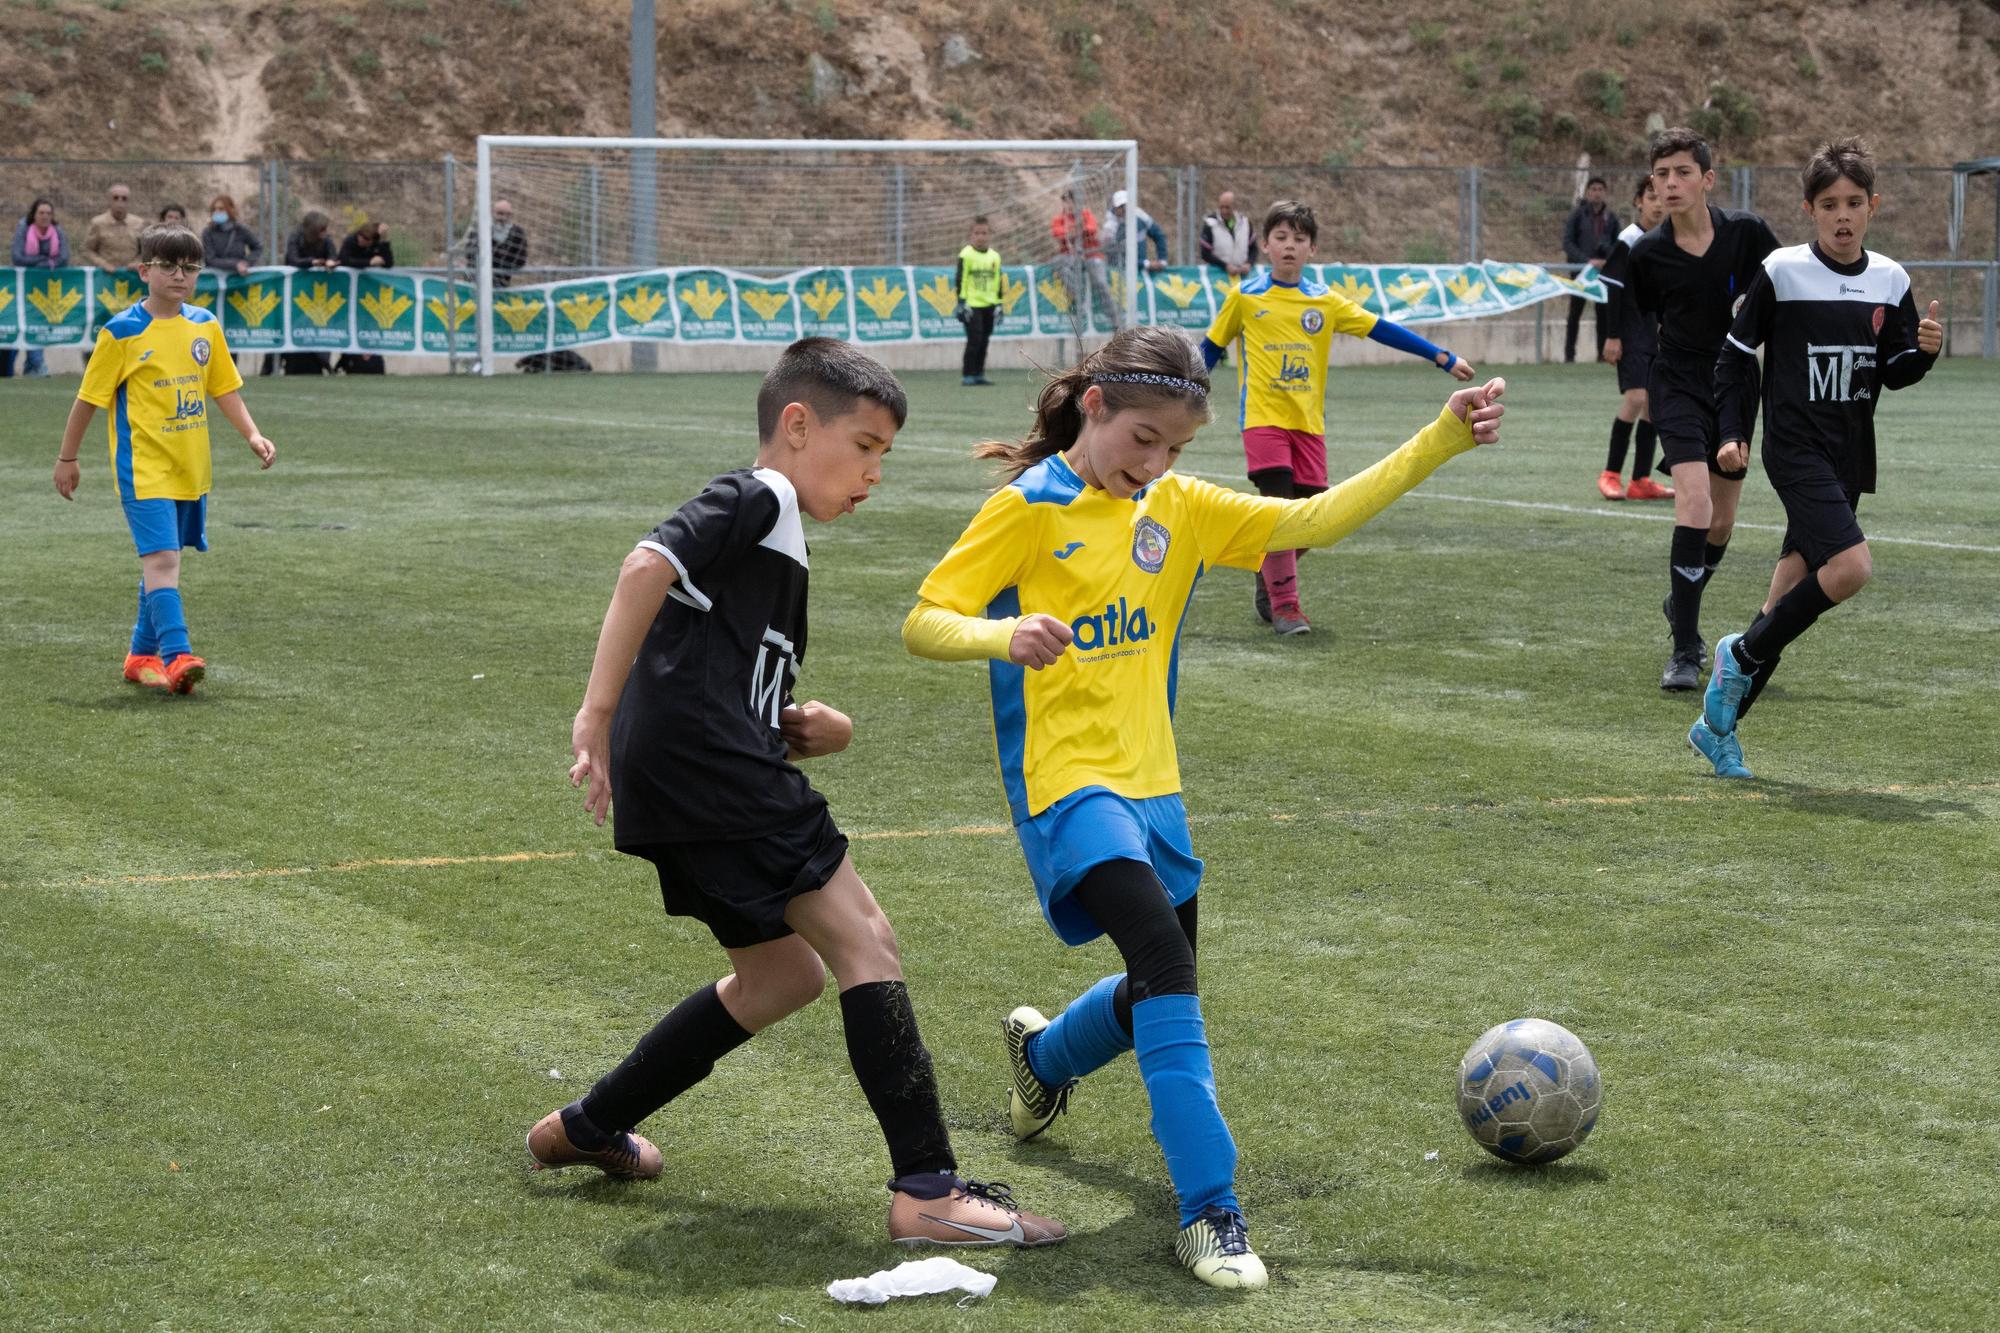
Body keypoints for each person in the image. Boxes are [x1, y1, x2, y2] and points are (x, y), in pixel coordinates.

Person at [902, 325, 1507, 1289]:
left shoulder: (1175, 507)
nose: (1156, 464)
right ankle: (1211, 1212)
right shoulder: (1025, 508)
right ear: (1093, 406)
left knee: (1158, 993)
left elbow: (1314, 520)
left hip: (1155, 786)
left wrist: (1439, 436)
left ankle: (1045, 1059)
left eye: (1176, 448)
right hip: (1068, 787)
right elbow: (926, 617)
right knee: (1166, 965)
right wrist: (1006, 631)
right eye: (1143, 439)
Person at [528, 337, 1066, 1252]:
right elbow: (643, 567)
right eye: (864, 447)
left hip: (690, 775)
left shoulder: (778, 542)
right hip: (711, 772)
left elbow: (721, 671)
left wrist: (812, 726)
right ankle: (928, 1190)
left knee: (783, 976)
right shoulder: (763, 493)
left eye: (883, 457)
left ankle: (587, 1126)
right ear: (796, 423)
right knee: (866, 939)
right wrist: (595, 711)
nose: (873, 474)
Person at [1691, 139, 1942, 778]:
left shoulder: (1891, 279)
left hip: (1850, 456)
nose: (1843, 215)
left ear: (1873, 206)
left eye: (1854, 202)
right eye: (1829, 204)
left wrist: (1927, 351)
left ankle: (1717, 729)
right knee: (1852, 567)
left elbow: (1895, 369)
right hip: (1797, 449)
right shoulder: (1782, 270)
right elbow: (1734, 355)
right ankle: (1739, 657)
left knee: (1785, 599)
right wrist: (1730, 431)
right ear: (1809, 208)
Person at [1200, 200, 1476, 635]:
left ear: (1312, 250)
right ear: (1266, 246)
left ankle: (1266, 568)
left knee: (1315, 516)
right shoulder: (1245, 297)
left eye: (1300, 238)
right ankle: (1287, 607)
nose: (1290, 246)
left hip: (1309, 425)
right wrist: (1184, 388)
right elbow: (1210, 350)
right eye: (1281, 237)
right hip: (1262, 420)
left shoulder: (1325, 303)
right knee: (1279, 510)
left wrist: (1440, 355)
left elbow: (1380, 327)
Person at [50, 222, 277, 696]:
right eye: (169, 266)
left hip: (190, 467)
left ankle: (139, 655)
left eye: (190, 267)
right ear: (144, 271)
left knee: (162, 562)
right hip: (144, 471)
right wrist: (67, 458)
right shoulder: (122, 332)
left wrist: (252, 434)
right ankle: (178, 657)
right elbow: (87, 400)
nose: (180, 275)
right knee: (163, 562)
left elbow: (224, 388)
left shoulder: (204, 326)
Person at [1625, 128, 1781, 691]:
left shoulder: (1749, 234)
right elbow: (1643, 324)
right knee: (1691, 502)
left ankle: (1680, 599)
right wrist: (1634, 380)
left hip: (1736, 382)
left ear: (1707, 179)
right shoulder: (1646, 254)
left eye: (1681, 172)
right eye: (1661, 175)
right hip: (1677, 383)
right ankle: (1686, 650)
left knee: (1721, 519)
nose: (1669, 183)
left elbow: (1783, 291)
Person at [1596, 174, 1674, 502]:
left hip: (1656, 334)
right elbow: (1612, 289)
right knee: (1636, 398)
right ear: (1639, 202)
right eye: (1650, 197)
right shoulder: (1629, 239)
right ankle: (1610, 474)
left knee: (1654, 406)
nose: (1657, 203)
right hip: (1630, 332)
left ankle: (1640, 480)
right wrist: (1612, 336)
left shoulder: (1669, 238)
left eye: (1662, 197)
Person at [1562, 176, 1619, 363]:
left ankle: (1601, 355)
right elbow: (1568, 243)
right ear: (1588, 192)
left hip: (1603, 274)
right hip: (1580, 274)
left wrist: (1606, 259)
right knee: (1574, 313)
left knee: (1603, 315)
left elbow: (1619, 246)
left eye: (1600, 189)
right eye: (1593, 189)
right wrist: (1586, 261)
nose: (1597, 193)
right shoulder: (1577, 215)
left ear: (1605, 193)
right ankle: (1569, 355)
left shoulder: (1610, 218)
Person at [12, 198, 70, 377]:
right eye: (41, 213)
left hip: (48, 288)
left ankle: (33, 365)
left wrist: (41, 264)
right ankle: (36, 363)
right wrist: (44, 262)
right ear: (34, 214)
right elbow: (18, 257)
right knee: (30, 323)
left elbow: (64, 257)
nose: (45, 216)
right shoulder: (24, 230)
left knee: (40, 324)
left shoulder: (57, 232)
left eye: (48, 213)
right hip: (26, 287)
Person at [1051, 188, 1119, 332]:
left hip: (1091, 254)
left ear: (1078, 204)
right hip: (1072, 257)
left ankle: (1115, 320)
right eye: (1066, 203)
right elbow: (1058, 234)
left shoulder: (1086, 214)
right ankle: (1079, 299)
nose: (1069, 207)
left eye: (1072, 203)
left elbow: (1091, 229)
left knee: (1100, 282)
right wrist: (1076, 230)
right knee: (1058, 262)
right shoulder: (1058, 219)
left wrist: (1073, 231)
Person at [336, 221, 394, 375]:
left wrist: (385, 240)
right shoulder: (350, 241)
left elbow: (388, 263)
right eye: (360, 237)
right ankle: (345, 363)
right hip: (348, 293)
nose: (361, 241)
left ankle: (370, 361)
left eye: (366, 240)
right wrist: (369, 262)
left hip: (368, 295)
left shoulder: (377, 244)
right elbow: (344, 260)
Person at [953, 215, 1001, 387]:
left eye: (984, 233)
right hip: (972, 304)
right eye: (977, 233)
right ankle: (968, 374)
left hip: (989, 304)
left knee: (985, 340)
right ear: (971, 235)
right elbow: (961, 278)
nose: (981, 236)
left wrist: (999, 303)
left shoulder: (995, 257)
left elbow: (997, 280)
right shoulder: (966, 254)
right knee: (974, 339)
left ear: (989, 235)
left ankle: (979, 373)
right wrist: (961, 302)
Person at [82, 184, 147, 276]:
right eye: (115, 198)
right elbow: (87, 250)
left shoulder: (139, 223)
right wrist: (103, 264)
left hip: (132, 276)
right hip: (106, 276)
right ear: (109, 200)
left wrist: (137, 262)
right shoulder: (98, 223)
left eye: (124, 199)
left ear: (129, 202)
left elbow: (146, 250)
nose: (120, 202)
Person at [461, 198, 527, 287]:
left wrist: (500, 263)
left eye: (507, 214)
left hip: (502, 283)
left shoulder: (517, 233)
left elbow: (520, 261)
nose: (503, 218)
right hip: (476, 282)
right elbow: (469, 253)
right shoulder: (480, 229)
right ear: (492, 213)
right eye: (500, 213)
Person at [1199, 190, 1259, 283]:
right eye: (1221, 207)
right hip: (1218, 277)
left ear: (1234, 207)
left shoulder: (1245, 223)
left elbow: (1254, 249)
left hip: (1242, 277)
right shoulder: (1210, 223)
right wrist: (1225, 266)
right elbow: (1205, 254)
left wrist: (1249, 264)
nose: (1224, 211)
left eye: (1227, 208)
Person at [1103, 190, 1169, 272]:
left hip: (1141, 269)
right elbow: (1114, 254)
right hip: (1120, 271)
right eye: (1120, 206)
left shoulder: (1140, 215)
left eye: (1124, 205)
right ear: (1114, 207)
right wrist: (1145, 264)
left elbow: (1159, 235)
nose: (1123, 209)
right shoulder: (1110, 226)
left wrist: (1162, 260)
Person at [200, 195, 260, 277]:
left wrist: (246, 262)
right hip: (215, 280)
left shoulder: (241, 230)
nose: (216, 212)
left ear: (231, 209)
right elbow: (210, 259)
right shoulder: (208, 232)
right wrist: (235, 264)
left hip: (238, 279)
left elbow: (257, 247)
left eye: (221, 209)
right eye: (214, 209)